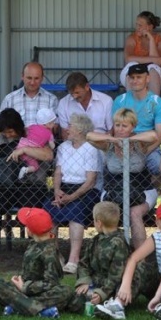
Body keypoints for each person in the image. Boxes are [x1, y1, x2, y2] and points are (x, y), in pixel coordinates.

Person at [0, 108, 53, 273]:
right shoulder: (0, 139)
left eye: (10, 131)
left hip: (31, 186)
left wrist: (24, 150)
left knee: (34, 211)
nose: (8, 135)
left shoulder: (33, 136)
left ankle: (43, 257)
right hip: (4, 187)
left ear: (18, 127)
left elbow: (48, 155)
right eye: (5, 132)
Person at [87, 108, 158, 250]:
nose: (120, 129)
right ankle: (109, 252)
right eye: (117, 125)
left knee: (134, 214)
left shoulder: (140, 143)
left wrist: (129, 140)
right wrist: (113, 139)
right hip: (114, 191)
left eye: (124, 126)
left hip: (141, 190)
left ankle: (140, 258)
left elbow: (154, 136)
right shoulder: (108, 144)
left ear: (133, 126)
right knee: (106, 215)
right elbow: (89, 136)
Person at [43, 113, 101, 275]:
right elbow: (58, 173)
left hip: (85, 190)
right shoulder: (63, 147)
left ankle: (73, 260)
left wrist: (72, 197)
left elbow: (91, 180)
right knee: (49, 211)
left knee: (76, 212)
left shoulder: (91, 149)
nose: (67, 129)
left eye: (71, 126)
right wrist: (56, 191)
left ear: (81, 131)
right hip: (64, 189)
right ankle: (55, 257)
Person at [0, 208, 74, 318]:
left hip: (40, 291)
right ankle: (40, 310)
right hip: (24, 287)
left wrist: (25, 287)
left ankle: (18, 307)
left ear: (29, 230)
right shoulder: (33, 244)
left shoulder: (49, 252)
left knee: (66, 291)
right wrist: (19, 280)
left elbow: (51, 283)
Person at [71, 201, 130, 314]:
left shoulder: (118, 244)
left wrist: (102, 293)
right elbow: (84, 263)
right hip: (93, 283)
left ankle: (109, 304)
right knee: (74, 301)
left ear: (98, 223)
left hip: (111, 288)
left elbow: (115, 276)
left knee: (82, 303)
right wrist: (84, 281)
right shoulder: (96, 240)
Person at [111, 63, 161, 176]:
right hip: (124, 143)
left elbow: (160, 135)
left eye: (139, 77)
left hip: (148, 145)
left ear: (147, 78)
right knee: (105, 162)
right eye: (132, 77)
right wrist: (121, 148)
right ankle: (108, 192)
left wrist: (144, 152)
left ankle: (152, 191)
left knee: (158, 165)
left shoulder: (157, 102)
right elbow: (115, 129)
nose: (135, 81)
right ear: (128, 79)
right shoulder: (120, 100)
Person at [120, 11, 161, 95]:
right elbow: (128, 59)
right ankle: (131, 105)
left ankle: (153, 104)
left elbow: (158, 64)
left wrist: (151, 39)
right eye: (136, 24)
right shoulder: (132, 38)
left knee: (152, 68)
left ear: (150, 27)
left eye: (140, 25)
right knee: (133, 65)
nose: (137, 28)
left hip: (156, 76)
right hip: (133, 72)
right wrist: (153, 59)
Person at [56, 72, 113, 139]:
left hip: (99, 143)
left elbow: (110, 130)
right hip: (74, 144)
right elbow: (65, 133)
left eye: (77, 92)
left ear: (87, 87)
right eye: (71, 93)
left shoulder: (106, 101)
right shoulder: (63, 103)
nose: (74, 96)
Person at [0, 62, 58, 127]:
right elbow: (2, 126)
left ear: (42, 78)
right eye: (29, 78)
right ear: (22, 76)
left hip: (43, 137)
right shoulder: (10, 99)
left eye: (36, 78)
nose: (32, 82)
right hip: (17, 137)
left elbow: (55, 127)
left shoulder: (51, 100)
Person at [17, 108, 57, 179]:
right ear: (48, 123)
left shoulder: (32, 126)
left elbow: (26, 133)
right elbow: (52, 146)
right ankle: (25, 170)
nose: (54, 124)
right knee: (35, 166)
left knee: (21, 160)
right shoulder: (49, 134)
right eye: (53, 122)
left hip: (21, 145)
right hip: (33, 150)